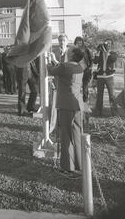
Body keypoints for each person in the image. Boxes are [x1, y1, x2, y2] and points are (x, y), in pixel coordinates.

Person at [47, 47, 84, 175]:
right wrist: (57, 62)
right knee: (77, 134)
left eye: (70, 50)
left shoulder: (65, 66)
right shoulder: (79, 67)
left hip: (66, 105)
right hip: (78, 104)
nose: (68, 50)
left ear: (73, 54)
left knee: (66, 135)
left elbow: (51, 71)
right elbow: (62, 69)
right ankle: (80, 164)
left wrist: (49, 60)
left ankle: (67, 166)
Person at [94, 39, 118, 116]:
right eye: (106, 43)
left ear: (111, 45)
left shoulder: (113, 53)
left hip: (109, 76)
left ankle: (115, 113)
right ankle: (98, 112)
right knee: (99, 96)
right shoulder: (100, 53)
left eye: (109, 43)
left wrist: (106, 52)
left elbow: (112, 59)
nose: (108, 44)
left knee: (112, 95)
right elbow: (95, 61)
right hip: (100, 76)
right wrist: (98, 51)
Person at [74, 36, 92, 102]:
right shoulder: (73, 51)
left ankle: (85, 102)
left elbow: (90, 60)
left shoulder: (86, 50)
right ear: (75, 43)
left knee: (85, 87)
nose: (79, 44)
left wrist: (90, 68)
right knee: (76, 87)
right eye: (77, 43)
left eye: (80, 43)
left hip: (86, 71)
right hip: (77, 71)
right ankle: (77, 102)